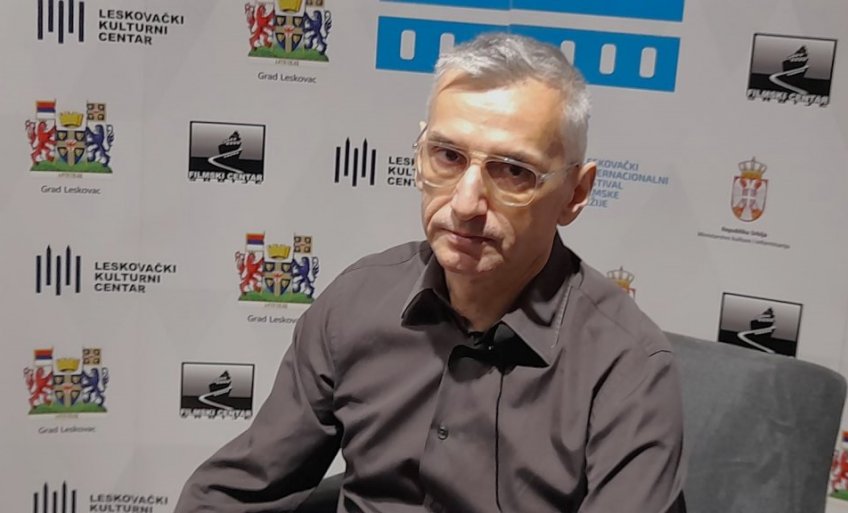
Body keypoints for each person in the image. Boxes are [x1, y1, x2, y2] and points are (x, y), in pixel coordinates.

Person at [175, 32, 686, 513]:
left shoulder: (628, 367)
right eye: (447, 156)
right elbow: (233, 492)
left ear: (575, 193)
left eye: (513, 171)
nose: (465, 203)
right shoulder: (356, 303)